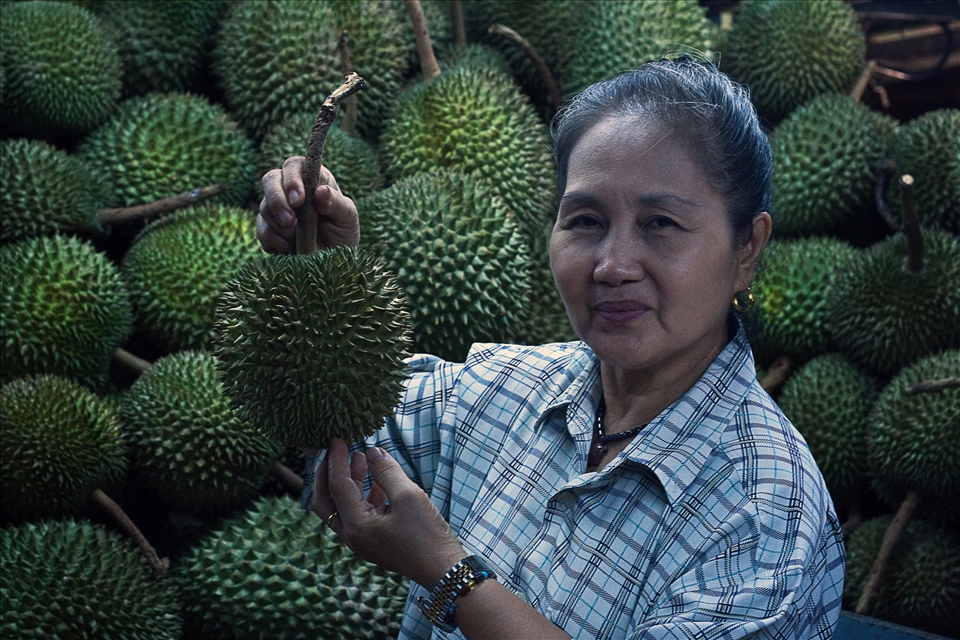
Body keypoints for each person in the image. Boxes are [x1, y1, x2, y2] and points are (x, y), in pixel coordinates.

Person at [257, 56, 845, 639]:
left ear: (747, 247)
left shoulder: (765, 506)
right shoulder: (500, 390)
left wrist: (451, 576)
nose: (613, 266)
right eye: (585, 220)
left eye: (661, 223)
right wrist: (323, 275)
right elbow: (338, 430)